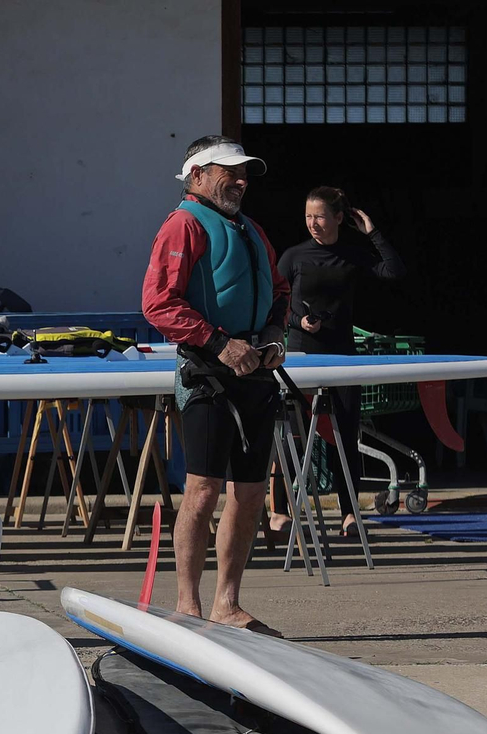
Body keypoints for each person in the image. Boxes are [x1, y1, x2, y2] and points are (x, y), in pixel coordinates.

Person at [142, 135, 289, 635]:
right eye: (229, 170)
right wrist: (220, 343)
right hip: (208, 372)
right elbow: (158, 303)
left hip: (256, 372)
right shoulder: (184, 225)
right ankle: (188, 604)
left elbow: (280, 290)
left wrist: (272, 337)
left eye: (245, 171)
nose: (241, 180)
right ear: (197, 174)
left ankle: (228, 603)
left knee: (249, 493)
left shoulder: (250, 229)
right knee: (202, 489)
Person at [269, 187, 406, 539]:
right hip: (301, 355)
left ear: (339, 219)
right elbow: (274, 298)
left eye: (320, 216)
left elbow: (393, 271)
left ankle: (348, 513)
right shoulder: (295, 256)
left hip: (342, 354)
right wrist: (297, 320)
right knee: (294, 436)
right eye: (308, 217)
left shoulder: (351, 254)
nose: (313, 223)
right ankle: (279, 512)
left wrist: (372, 232)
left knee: (344, 435)